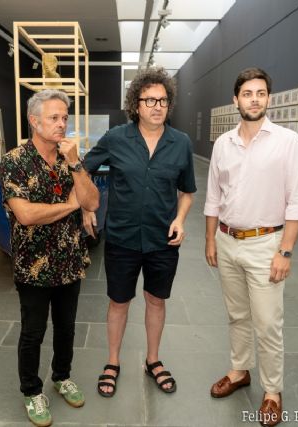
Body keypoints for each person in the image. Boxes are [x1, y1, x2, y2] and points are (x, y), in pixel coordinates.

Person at [204, 67, 298, 427]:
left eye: (260, 93)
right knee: (237, 315)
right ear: (236, 100)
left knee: (267, 322)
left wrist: (286, 251)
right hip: (228, 240)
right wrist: (210, 239)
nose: (254, 99)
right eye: (247, 93)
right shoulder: (223, 144)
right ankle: (239, 371)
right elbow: (214, 197)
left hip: (267, 243)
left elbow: (297, 201)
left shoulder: (287, 141)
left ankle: (272, 391)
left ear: (268, 98)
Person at [83, 67, 196, 398]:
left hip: (163, 239)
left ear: (169, 104)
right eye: (149, 100)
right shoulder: (117, 138)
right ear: (136, 104)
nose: (157, 106)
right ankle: (113, 362)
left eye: (162, 100)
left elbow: (187, 190)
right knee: (119, 302)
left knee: (155, 300)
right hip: (122, 237)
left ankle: (153, 360)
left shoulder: (181, 143)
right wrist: (88, 207)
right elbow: (83, 170)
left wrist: (181, 219)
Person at [0, 89, 99, 427]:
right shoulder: (14, 160)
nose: (61, 125)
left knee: (67, 328)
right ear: (34, 120)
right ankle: (31, 391)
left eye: (64, 118)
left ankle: (61, 376)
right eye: (54, 118)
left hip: (70, 260)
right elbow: (25, 215)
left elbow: (93, 201)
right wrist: (71, 206)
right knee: (33, 331)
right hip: (33, 266)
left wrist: (75, 165)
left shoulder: (70, 159)